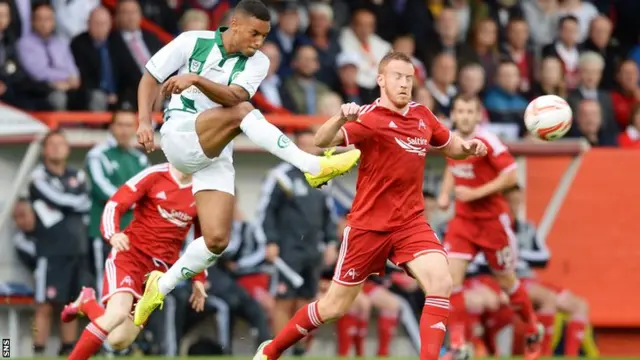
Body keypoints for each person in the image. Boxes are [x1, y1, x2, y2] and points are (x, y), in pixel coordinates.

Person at [134, 0, 360, 327]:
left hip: (216, 150)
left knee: (216, 241)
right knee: (244, 114)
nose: (259, 42)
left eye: (265, 36)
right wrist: (144, 122)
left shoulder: (259, 61)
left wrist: (196, 80)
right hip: (179, 134)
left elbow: (234, 97)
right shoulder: (191, 41)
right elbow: (150, 77)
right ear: (234, 24)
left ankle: (160, 286)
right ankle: (312, 166)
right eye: (254, 33)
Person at [253, 51, 488, 360]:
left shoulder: (422, 115)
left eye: (408, 78)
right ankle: (270, 350)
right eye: (397, 77)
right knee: (333, 307)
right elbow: (323, 140)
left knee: (441, 280)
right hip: (368, 227)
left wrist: (467, 148)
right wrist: (340, 116)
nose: (404, 84)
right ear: (381, 80)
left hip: (410, 223)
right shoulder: (368, 117)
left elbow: (450, 146)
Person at [61, 163, 208, 360]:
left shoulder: (203, 191)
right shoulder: (156, 175)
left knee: (118, 340)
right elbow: (116, 203)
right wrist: (112, 233)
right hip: (130, 256)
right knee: (118, 313)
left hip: (158, 275)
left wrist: (198, 277)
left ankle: (87, 303)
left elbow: (202, 240)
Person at [436, 95, 542, 360]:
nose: (465, 116)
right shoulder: (449, 138)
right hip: (462, 222)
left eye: (470, 111)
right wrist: (444, 193)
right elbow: (453, 165)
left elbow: (511, 176)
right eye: (460, 110)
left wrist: (476, 194)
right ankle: (460, 344)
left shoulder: (488, 141)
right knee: (450, 282)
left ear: (478, 114)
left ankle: (532, 328)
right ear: (454, 113)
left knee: (507, 282)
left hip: (492, 222)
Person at [29, 130, 92, 356]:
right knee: (44, 304)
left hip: (77, 248)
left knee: (72, 304)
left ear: (68, 148)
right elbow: (65, 200)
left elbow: (86, 201)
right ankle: (37, 350)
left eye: (61, 143)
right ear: (44, 150)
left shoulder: (78, 175)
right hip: (50, 251)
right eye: (52, 144)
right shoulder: (38, 177)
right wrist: (75, 202)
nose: (56, 148)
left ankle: (68, 351)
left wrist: (73, 204)